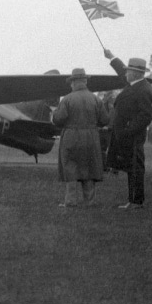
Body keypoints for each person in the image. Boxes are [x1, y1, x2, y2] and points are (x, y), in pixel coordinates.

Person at [103, 50, 152, 210]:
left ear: (135, 73)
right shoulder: (135, 84)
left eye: (128, 71)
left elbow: (146, 115)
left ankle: (136, 201)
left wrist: (128, 130)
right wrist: (112, 57)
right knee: (131, 168)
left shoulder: (143, 89)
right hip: (126, 136)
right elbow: (121, 71)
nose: (125, 73)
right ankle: (132, 200)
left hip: (133, 137)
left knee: (135, 169)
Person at [52, 68, 108, 207]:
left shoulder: (67, 99)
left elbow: (59, 119)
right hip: (91, 137)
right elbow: (105, 120)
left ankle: (70, 201)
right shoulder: (96, 99)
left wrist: (54, 115)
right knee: (89, 167)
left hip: (71, 136)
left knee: (70, 167)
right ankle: (89, 201)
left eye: (71, 82)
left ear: (74, 82)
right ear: (85, 81)